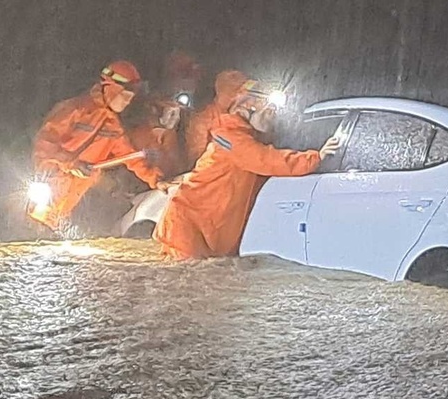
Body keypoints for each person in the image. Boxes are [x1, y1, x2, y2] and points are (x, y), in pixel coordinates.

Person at [156, 80, 341, 260]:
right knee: (186, 286)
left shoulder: (245, 137)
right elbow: (266, 160)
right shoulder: (230, 138)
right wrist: (316, 157)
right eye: (268, 111)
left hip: (204, 229)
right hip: (187, 228)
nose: (272, 117)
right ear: (248, 108)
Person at [30, 60, 170, 231]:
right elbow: (44, 143)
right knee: (29, 229)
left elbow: (131, 157)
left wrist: (156, 179)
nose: (126, 103)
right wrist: (71, 163)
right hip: (48, 184)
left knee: (51, 232)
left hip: (70, 197)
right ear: (110, 87)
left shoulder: (113, 127)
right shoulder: (74, 109)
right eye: (125, 97)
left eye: (130, 99)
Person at [183, 68, 250, 166]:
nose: (247, 101)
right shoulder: (204, 119)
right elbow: (196, 157)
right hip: (217, 174)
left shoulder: (245, 116)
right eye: (241, 93)